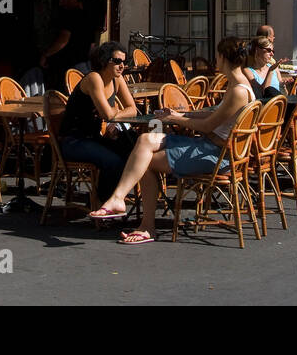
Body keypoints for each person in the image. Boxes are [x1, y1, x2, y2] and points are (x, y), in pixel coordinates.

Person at [88, 36, 254, 245]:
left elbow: (207, 126)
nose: (215, 60)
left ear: (222, 57)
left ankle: (145, 225)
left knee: (144, 162)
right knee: (145, 140)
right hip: (210, 148)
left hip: (216, 155)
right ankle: (118, 200)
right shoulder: (239, 84)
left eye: (217, 56)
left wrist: (176, 119)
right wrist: (182, 114)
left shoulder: (238, 90)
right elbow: (215, 115)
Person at [57, 41, 139, 199]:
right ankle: (102, 203)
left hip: (93, 138)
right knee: (114, 162)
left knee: (131, 151)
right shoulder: (94, 78)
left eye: (124, 62)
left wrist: (114, 113)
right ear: (103, 61)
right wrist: (115, 113)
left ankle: (105, 199)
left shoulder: (117, 79)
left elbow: (132, 109)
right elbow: (107, 115)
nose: (122, 66)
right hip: (73, 141)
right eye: (117, 61)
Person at [40, 0, 92, 92]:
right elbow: (92, 45)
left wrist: (46, 54)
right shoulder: (88, 17)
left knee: (64, 94)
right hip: (84, 63)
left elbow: (63, 40)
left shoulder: (69, 15)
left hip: (69, 64)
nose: (61, 2)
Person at [245, 35, 284, 100]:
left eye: (273, 51)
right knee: (270, 90)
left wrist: (284, 86)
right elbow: (262, 93)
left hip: (279, 106)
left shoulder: (274, 68)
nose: (272, 54)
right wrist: (270, 71)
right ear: (257, 50)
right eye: (269, 50)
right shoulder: (248, 71)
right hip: (265, 108)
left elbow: (284, 95)